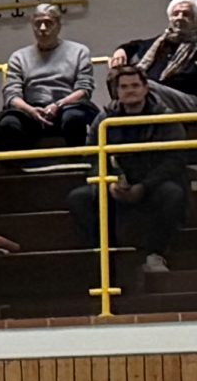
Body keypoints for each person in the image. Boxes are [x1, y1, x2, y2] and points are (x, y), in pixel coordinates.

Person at [69, 62, 197, 282]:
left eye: (135, 85)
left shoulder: (165, 117)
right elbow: (91, 156)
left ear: (146, 88)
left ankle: (155, 253)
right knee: (78, 198)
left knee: (173, 194)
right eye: (124, 87)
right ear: (117, 91)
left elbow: (175, 160)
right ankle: (107, 254)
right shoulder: (104, 119)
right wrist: (110, 181)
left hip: (154, 183)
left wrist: (144, 186)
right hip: (116, 183)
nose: (130, 91)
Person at [0, 3, 97, 155]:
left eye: (48, 23)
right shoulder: (19, 57)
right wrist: (31, 110)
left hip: (66, 106)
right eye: (38, 24)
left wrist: (58, 105)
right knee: (8, 123)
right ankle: (20, 166)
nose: (42, 28)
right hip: (31, 111)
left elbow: (84, 89)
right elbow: (11, 95)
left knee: (74, 118)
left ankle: (77, 161)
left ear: (58, 26)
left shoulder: (79, 52)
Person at [112, 0, 197, 97]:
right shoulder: (157, 43)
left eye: (186, 14)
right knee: (116, 78)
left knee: (141, 85)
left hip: (184, 99)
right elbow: (133, 46)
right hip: (148, 97)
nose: (179, 18)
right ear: (170, 18)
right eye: (175, 14)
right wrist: (120, 51)